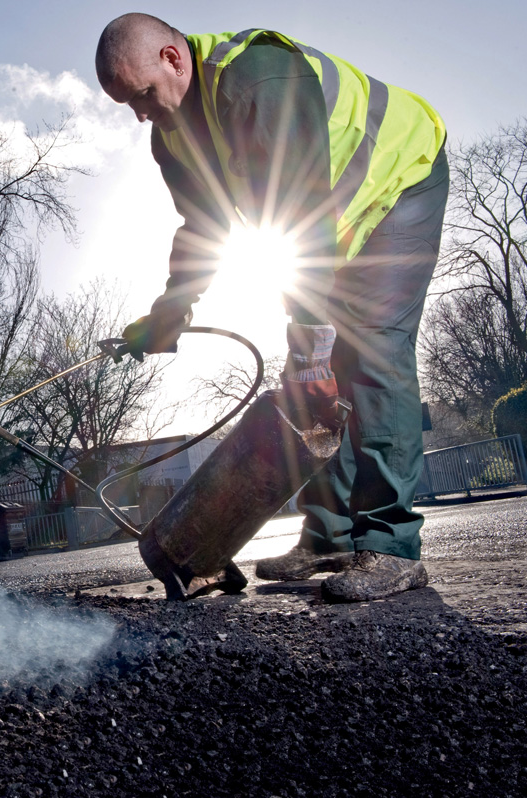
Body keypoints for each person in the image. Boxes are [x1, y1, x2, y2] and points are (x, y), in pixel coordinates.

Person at [95, 14, 448, 601]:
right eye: (128, 105)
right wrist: (166, 318)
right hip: (329, 227)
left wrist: (310, 334)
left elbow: (304, 207)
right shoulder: (172, 136)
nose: (139, 114)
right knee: (308, 382)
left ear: (173, 59)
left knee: (370, 352)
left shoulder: (256, 80)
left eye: (143, 95)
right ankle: (329, 535)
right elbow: (203, 228)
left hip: (398, 181)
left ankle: (389, 543)